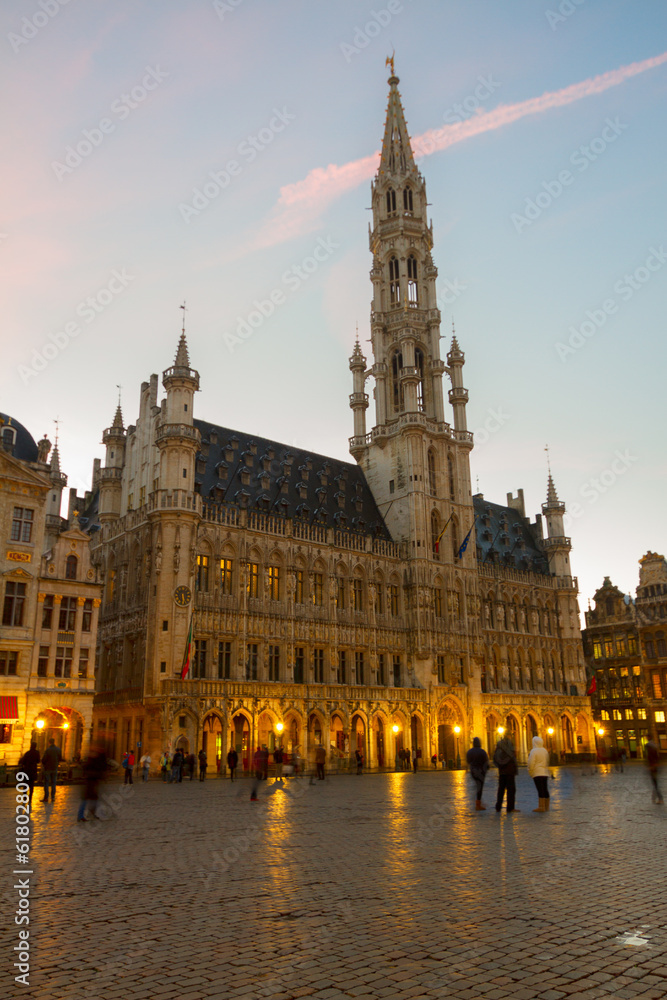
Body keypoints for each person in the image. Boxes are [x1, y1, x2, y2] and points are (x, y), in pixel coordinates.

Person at [77, 743, 108, 822]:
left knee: (92, 799)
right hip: (90, 781)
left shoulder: (92, 759)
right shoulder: (91, 759)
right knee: (87, 799)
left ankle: (91, 813)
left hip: (92, 780)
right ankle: (82, 815)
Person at [493, 735, 520, 813]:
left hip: (502, 771)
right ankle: (510, 808)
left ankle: (498, 807)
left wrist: (500, 765)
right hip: (510, 771)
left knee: (501, 789)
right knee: (511, 790)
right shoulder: (510, 745)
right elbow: (513, 756)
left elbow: (495, 758)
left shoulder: (499, 745)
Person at [527, 735, 550, 812]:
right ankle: (547, 806)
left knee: (540, 789)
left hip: (537, 772)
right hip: (545, 772)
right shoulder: (544, 750)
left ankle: (541, 807)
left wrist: (530, 771)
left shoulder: (534, 751)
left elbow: (531, 763)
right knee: (545, 789)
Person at [466, 737, 489, 811]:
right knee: (480, 787)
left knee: (477, 785)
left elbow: (468, 761)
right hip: (481, 771)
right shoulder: (482, 752)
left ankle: (478, 802)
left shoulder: (469, 752)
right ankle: (478, 804)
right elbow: (486, 762)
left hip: (473, 771)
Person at [18, 741, 41, 805]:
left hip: (27, 770)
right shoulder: (37, 753)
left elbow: (23, 762)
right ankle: (30, 798)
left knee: (25, 785)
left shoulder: (27, 753)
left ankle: (25, 798)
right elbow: (38, 761)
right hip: (33, 770)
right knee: (31, 785)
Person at [646, 738, 663, 804]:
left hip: (653, 769)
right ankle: (656, 797)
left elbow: (654, 760)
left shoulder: (651, 752)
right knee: (655, 784)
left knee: (655, 784)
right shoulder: (654, 751)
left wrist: (652, 766)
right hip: (654, 769)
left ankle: (660, 798)